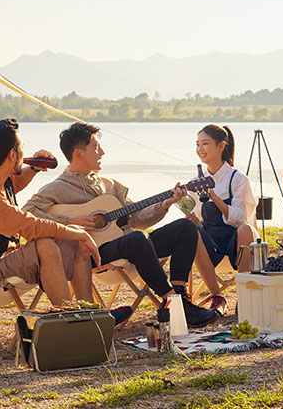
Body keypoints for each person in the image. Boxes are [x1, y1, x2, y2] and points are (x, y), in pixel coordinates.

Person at [23, 121, 221, 328]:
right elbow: (27, 212)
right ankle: (173, 302)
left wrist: (166, 203)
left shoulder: (110, 185)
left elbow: (138, 219)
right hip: (94, 255)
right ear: (78, 153)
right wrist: (68, 221)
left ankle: (178, 300)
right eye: (96, 147)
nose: (103, 152)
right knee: (137, 239)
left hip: (131, 248)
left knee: (184, 227)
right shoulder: (57, 188)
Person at [0, 119, 131, 322]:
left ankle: (90, 315)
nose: (24, 152)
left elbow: (14, 184)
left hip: (0, 259)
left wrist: (34, 168)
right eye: (22, 148)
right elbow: (32, 226)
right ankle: (70, 319)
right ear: (12, 155)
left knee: (75, 241)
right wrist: (78, 230)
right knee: (45, 243)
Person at [185, 125, 257, 314]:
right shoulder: (197, 181)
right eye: (198, 144)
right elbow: (201, 218)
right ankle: (217, 297)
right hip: (212, 241)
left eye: (205, 144)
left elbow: (241, 219)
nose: (200, 149)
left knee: (246, 230)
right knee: (190, 231)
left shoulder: (237, 178)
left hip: (236, 240)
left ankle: (245, 296)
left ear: (221, 146)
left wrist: (215, 197)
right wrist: (193, 219)